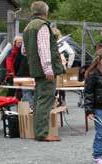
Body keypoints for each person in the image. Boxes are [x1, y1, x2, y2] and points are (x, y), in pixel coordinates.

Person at [23, 1, 64, 141]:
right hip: (45, 70)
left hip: (35, 69)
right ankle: (42, 133)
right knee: (45, 100)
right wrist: (48, 69)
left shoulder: (28, 27)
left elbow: (24, 50)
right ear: (45, 12)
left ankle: (39, 132)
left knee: (39, 100)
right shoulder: (42, 26)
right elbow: (44, 49)